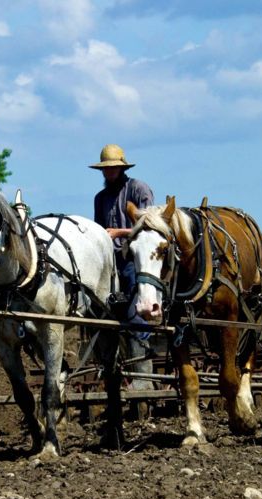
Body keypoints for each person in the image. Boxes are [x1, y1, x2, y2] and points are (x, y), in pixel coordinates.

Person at [91, 144, 155, 391]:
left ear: (121, 168)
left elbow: (150, 227)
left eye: (112, 169)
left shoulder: (138, 189)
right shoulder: (101, 198)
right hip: (110, 261)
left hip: (136, 259)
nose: (108, 173)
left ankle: (144, 375)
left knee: (133, 308)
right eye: (105, 170)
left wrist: (119, 232)